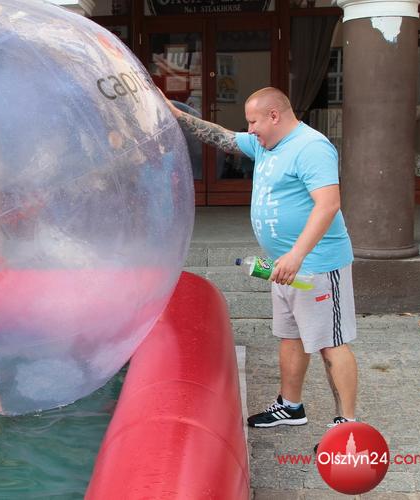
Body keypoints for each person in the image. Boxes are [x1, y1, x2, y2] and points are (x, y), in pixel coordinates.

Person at [164, 87, 357, 429]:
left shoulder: (311, 147)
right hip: (282, 266)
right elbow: (222, 137)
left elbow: (328, 205)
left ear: (274, 116)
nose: (249, 130)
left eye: (253, 122)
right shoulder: (264, 144)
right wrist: (176, 114)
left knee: (330, 343)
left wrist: (297, 255)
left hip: (316, 265)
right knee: (290, 336)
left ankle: (347, 425)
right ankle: (291, 407)